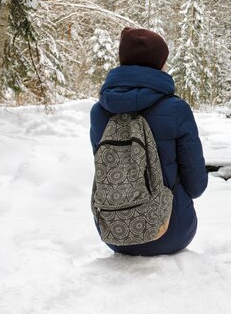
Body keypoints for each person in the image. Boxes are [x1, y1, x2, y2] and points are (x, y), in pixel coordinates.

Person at [89, 27, 208, 256]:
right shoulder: (176, 109)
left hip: (114, 233)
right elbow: (196, 185)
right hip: (171, 232)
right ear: (157, 63)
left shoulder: (99, 112)